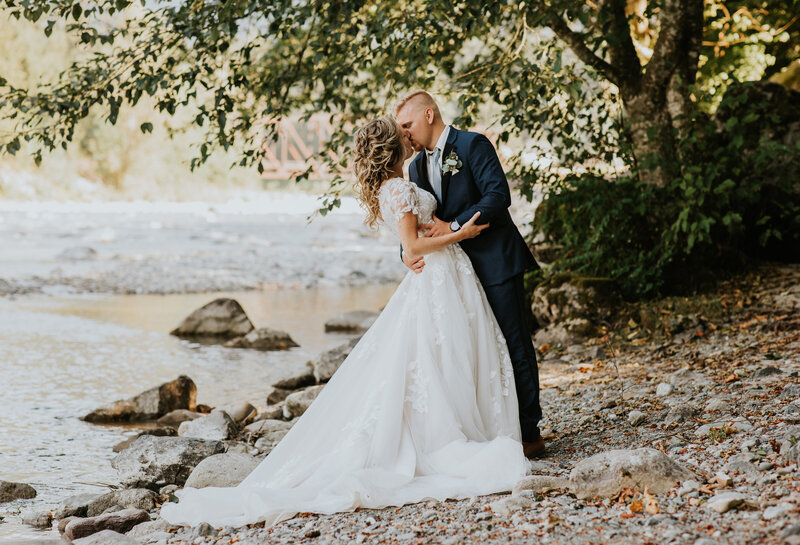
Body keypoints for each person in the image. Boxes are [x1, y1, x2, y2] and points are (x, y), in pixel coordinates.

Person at [160, 117, 530, 528]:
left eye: (409, 125)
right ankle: (450, 436)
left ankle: (472, 426)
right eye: (401, 132)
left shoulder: (400, 182)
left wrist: (431, 242)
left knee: (446, 354)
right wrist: (459, 234)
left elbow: (413, 237)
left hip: (442, 277)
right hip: (436, 275)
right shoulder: (400, 187)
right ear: (392, 146)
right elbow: (412, 243)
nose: (409, 136)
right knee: (436, 356)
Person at [395, 90, 544, 458]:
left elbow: (497, 196)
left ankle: (529, 432)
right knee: (476, 351)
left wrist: (456, 225)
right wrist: (405, 252)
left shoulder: (473, 144)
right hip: (453, 276)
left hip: (495, 261)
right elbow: (415, 220)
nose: (404, 134)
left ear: (429, 115)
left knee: (514, 345)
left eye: (408, 125)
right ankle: (491, 430)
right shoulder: (413, 168)